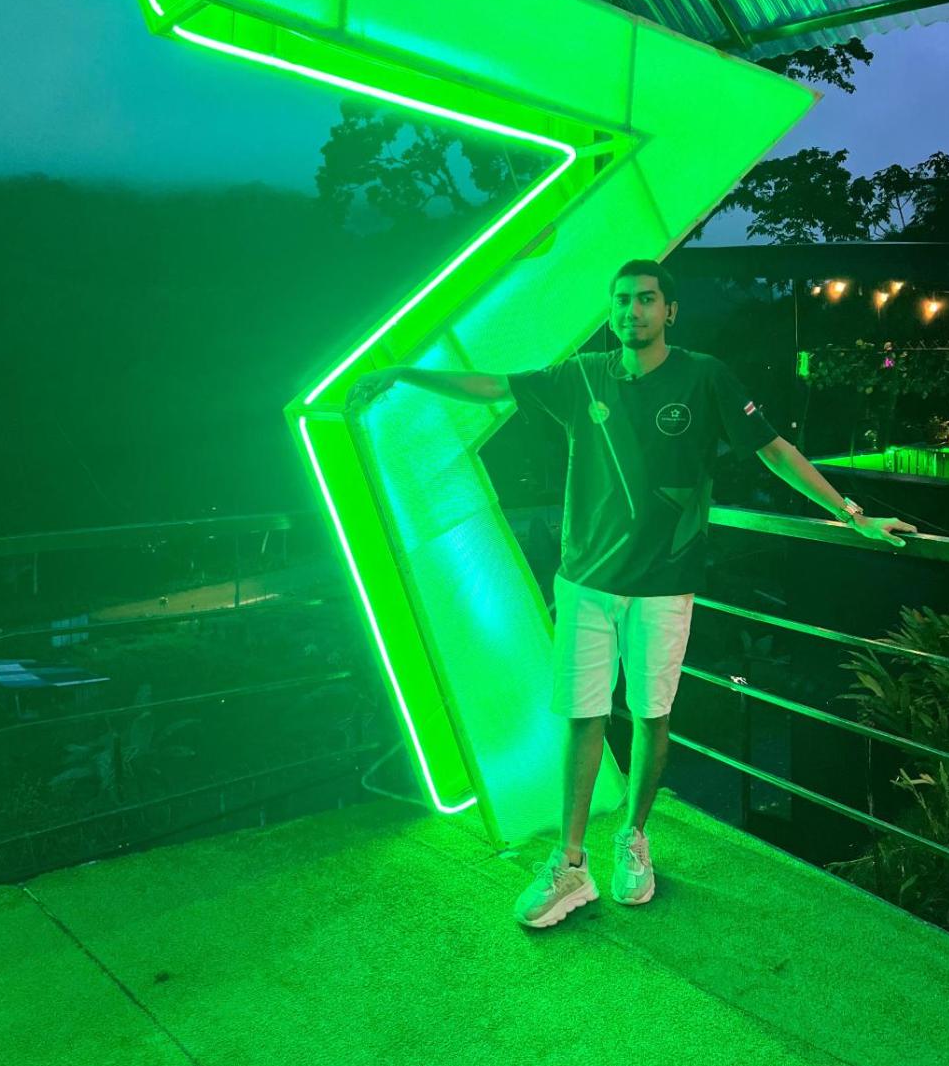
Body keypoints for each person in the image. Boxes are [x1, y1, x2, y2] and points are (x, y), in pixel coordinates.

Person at [346, 259, 917, 929]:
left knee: (651, 717)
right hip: (585, 583)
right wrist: (405, 373)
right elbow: (493, 385)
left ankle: (634, 837)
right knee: (582, 718)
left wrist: (852, 514)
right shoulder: (582, 376)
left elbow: (774, 450)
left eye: (646, 299)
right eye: (621, 300)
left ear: (669, 310)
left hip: (664, 588)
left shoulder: (705, 377)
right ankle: (570, 863)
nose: (631, 311)